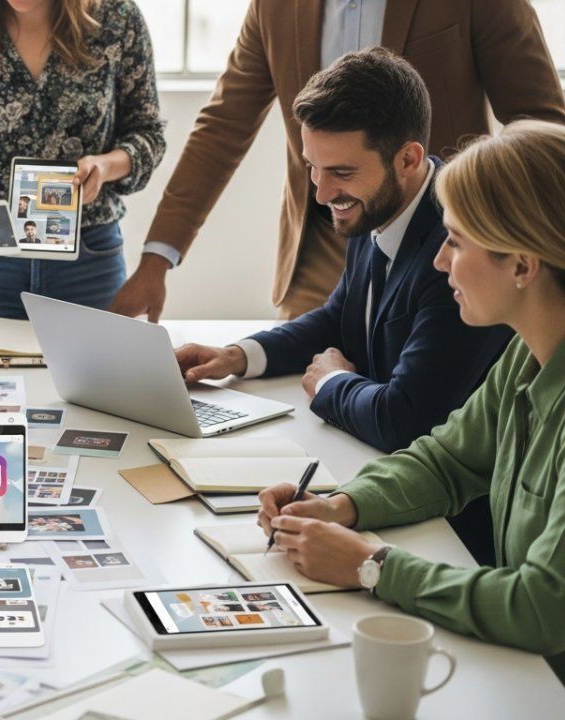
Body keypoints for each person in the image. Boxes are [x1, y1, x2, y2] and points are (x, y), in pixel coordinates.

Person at [257, 120, 565, 682]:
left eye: (456, 241)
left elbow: (542, 606)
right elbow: (446, 461)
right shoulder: (527, 354)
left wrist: (372, 567)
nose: (441, 262)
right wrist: (338, 505)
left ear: (522, 265)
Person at [108, 0, 565, 322]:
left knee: (416, 423)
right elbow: (223, 126)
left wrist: (498, 235)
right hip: (321, 252)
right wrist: (156, 259)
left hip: (441, 250)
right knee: (302, 415)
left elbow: (540, 122)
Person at [174, 49, 511, 454]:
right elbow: (341, 316)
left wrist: (330, 383)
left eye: (341, 172)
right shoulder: (376, 205)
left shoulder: (458, 252)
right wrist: (236, 356)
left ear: (407, 159)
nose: (323, 193)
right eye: (313, 167)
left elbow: (404, 420)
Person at [0, 0, 165, 319]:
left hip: (87, 261)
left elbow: (147, 133)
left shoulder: (117, 21)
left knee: (92, 369)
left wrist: (105, 166)